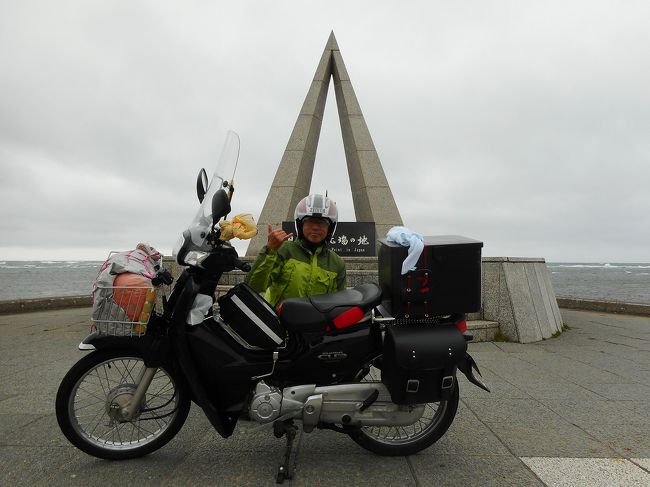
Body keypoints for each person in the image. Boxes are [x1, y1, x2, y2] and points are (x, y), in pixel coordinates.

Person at [245, 194, 346, 308]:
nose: (316, 227)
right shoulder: (284, 250)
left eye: (322, 222)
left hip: (317, 325)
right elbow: (253, 286)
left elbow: (339, 304)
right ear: (300, 224)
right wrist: (269, 251)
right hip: (277, 322)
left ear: (330, 228)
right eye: (310, 221)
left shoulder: (337, 264)